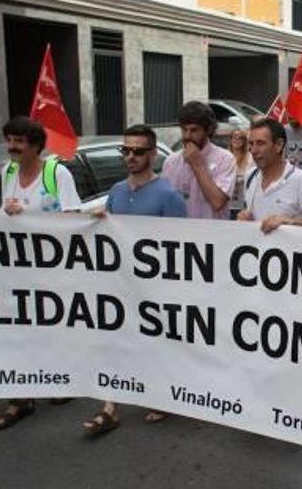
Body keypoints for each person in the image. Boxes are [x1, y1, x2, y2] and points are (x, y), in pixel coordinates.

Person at [80, 125, 187, 437]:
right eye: (125, 150)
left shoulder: (168, 195)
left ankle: (163, 395)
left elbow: (182, 247)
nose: (130, 156)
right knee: (115, 343)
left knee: (155, 345)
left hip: (155, 291)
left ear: (153, 154)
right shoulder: (116, 191)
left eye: (138, 151)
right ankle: (110, 407)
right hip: (122, 285)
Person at [0, 116, 83, 430]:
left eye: (18, 141)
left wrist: (29, 218)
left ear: (35, 145)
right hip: (16, 270)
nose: (11, 147)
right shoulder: (8, 172)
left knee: (53, 329)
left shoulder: (56, 173)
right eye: (9, 140)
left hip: (52, 272)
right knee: (19, 332)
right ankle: (21, 396)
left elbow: (73, 221)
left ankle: (60, 378)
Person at [237, 119, 302, 231]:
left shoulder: (300, 179)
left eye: (260, 143)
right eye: (251, 143)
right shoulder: (250, 176)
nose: (253, 150)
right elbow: (250, 213)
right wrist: (246, 218)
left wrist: (288, 222)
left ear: (278, 145)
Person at [162, 101, 235, 220]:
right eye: (184, 130)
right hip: (179, 235)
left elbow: (218, 202)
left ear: (209, 130)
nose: (187, 136)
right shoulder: (171, 161)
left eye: (194, 130)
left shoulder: (225, 159)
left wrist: (197, 164)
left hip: (211, 235)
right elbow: (165, 202)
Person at [227, 128, 255, 220]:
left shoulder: (250, 158)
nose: (236, 139)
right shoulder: (225, 157)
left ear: (244, 141)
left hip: (243, 203)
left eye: (240, 137)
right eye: (234, 137)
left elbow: (253, 178)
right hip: (227, 203)